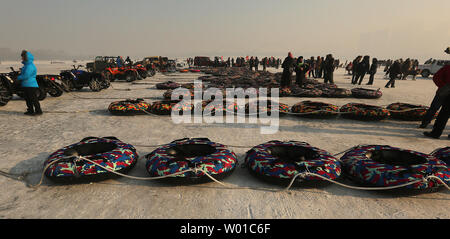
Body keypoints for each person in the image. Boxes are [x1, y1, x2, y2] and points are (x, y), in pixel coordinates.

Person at [421, 48, 450, 130]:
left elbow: (436, 77)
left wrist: (442, 86)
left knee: (435, 108)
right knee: (444, 112)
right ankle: (432, 126)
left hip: (442, 92)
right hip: (443, 91)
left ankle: (425, 123)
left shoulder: (447, 67)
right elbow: (436, 77)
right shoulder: (447, 68)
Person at [17, 50, 42, 116]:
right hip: (26, 85)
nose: (21, 58)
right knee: (28, 99)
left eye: (22, 57)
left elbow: (26, 75)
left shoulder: (29, 66)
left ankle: (38, 111)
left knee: (33, 99)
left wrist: (18, 78)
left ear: (26, 57)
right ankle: (30, 110)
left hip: (30, 85)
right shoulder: (26, 65)